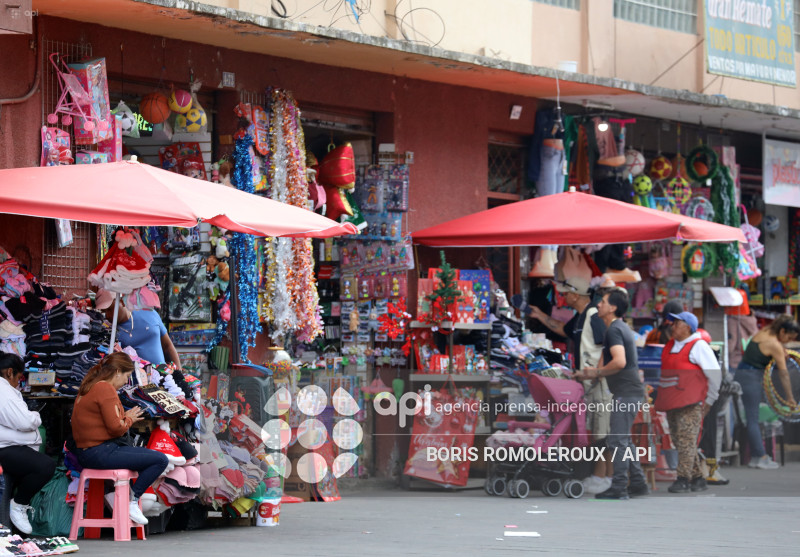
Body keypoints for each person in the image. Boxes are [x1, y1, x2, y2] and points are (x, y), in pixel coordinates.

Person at [520, 276, 613, 494]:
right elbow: (563, 330)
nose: (562, 297)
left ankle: (604, 477)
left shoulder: (593, 315)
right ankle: (604, 477)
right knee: (597, 431)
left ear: (576, 294)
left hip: (598, 383)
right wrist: (540, 315)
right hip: (587, 382)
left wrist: (597, 374)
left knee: (602, 432)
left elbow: (606, 347)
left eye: (565, 293)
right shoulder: (580, 317)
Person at [70, 352, 169, 525]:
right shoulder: (105, 388)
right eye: (126, 376)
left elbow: (106, 423)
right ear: (117, 372)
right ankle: (132, 501)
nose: (126, 382)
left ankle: (120, 496)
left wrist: (125, 417)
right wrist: (129, 419)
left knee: (147, 456)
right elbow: (116, 428)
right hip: (99, 452)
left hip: (90, 452)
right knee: (160, 460)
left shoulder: (90, 386)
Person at [575, 288, 649, 500]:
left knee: (616, 441)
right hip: (629, 391)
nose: (599, 305)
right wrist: (588, 374)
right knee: (623, 439)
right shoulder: (616, 328)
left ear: (613, 308)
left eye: (603, 302)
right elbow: (607, 359)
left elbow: (619, 361)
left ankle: (619, 486)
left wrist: (596, 372)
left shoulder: (614, 330)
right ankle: (638, 482)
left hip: (626, 392)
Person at [654, 312, 721, 493]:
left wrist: (710, 400)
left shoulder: (698, 346)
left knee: (686, 441)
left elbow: (715, 374)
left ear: (688, 327)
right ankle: (698, 478)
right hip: (671, 402)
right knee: (678, 440)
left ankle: (682, 479)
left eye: (677, 323)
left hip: (691, 403)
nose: (672, 325)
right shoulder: (670, 345)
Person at [733, 315, 800, 470]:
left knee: (751, 418)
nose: (788, 342)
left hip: (744, 374)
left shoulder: (767, 331)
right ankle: (759, 456)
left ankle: (757, 455)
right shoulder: (774, 344)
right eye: (788, 337)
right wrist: (790, 398)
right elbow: (784, 374)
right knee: (753, 418)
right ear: (782, 331)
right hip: (751, 378)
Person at [0, 353, 56, 534]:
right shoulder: (4, 392)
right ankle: (19, 504)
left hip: (8, 446)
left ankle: (15, 518)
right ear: (10, 372)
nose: (19, 382)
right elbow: (24, 422)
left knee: (31, 468)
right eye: (18, 377)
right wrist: (35, 416)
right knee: (44, 466)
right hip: (5, 448)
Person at [96, 289, 181, 368]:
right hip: (136, 381)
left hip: (165, 378)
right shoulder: (107, 332)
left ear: (122, 302)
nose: (107, 315)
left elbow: (167, 345)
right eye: (104, 312)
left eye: (109, 309)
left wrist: (179, 373)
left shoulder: (149, 312)